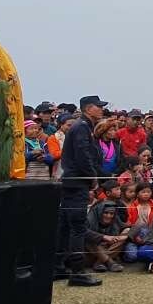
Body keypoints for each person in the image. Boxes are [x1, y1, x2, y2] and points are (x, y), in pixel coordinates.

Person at [57, 96, 107, 287]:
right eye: (98, 106)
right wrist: (92, 177)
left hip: (73, 181)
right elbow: (83, 155)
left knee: (65, 225)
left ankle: (58, 266)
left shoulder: (82, 126)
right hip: (77, 182)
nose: (101, 109)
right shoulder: (81, 127)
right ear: (88, 108)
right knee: (77, 226)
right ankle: (77, 271)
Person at [83, 201, 128, 272]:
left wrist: (124, 237)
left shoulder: (115, 219)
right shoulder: (89, 219)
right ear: (99, 212)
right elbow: (82, 232)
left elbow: (132, 227)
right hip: (90, 254)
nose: (108, 216)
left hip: (107, 248)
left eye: (111, 213)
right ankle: (110, 262)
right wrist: (103, 237)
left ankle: (99, 262)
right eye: (105, 213)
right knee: (89, 238)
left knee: (127, 231)